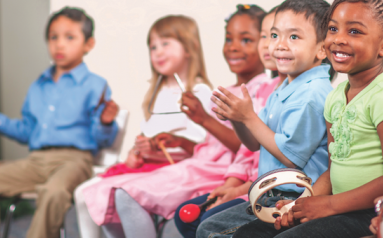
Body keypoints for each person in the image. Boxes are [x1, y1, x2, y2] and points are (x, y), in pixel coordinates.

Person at [79, 7, 274, 237]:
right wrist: (179, 140)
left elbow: (249, 147)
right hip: (200, 164)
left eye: (247, 39)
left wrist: (203, 120)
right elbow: (209, 150)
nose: (232, 46)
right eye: (229, 38)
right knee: (114, 193)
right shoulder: (224, 91)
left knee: (125, 194)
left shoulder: (264, 91)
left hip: (214, 172)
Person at [231, 0, 383, 237]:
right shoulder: (335, 99)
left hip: (370, 211)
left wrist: (330, 205)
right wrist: (301, 203)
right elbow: (334, 168)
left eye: (354, 31)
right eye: (333, 29)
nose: (338, 39)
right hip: (338, 205)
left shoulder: (380, 95)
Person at [198, 0, 333, 237]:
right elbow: (253, 143)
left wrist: (248, 117)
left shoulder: (311, 94)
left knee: (215, 230)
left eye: (294, 37)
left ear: (321, 49)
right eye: (274, 35)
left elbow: (290, 156)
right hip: (271, 194)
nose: (280, 45)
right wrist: (237, 119)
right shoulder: (284, 87)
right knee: (209, 226)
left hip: (294, 197)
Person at [0, 7, 119, 238]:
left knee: (54, 192)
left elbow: (101, 139)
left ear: (88, 44)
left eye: (69, 37)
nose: (59, 44)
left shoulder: (95, 85)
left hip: (74, 160)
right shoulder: (38, 86)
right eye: (53, 37)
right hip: (36, 160)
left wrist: (106, 123)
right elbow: (27, 132)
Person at [73, 15, 213, 238]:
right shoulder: (156, 95)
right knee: (86, 192)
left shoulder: (200, 93)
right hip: (146, 166)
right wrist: (136, 151)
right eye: (153, 46)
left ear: (189, 47)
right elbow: (147, 135)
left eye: (165, 43)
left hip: (174, 170)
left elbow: (203, 147)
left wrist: (163, 147)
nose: (157, 51)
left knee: (107, 194)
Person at [174, 5, 287, 238]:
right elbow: (249, 152)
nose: (267, 44)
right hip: (252, 185)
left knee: (207, 223)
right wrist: (231, 185)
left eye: (275, 36)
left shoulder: (299, 95)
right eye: (266, 36)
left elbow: (285, 162)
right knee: (186, 218)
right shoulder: (265, 90)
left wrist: (239, 188)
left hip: (270, 190)